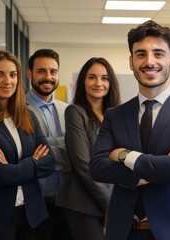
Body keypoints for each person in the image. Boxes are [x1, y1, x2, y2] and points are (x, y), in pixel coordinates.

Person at [89, 20, 170, 240]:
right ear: (131, 61)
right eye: (141, 54)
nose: (149, 62)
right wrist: (159, 168)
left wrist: (125, 155)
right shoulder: (115, 115)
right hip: (123, 231)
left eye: (158, 53)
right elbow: (98, 168)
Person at [0, 50, 56, 240]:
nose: (8, 80)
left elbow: (50, 162)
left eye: (13, 74)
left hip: (30, 213)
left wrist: (11, 168)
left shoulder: (27, 115)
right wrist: (33, 161)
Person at [55, 57, 121, 240]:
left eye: (104, 78)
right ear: (83, 81)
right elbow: (83, 163)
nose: (98, 83)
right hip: (83, 201)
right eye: (92, 77)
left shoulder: (115, 115)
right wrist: (108, 202)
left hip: (113, 196)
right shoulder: (75, 112)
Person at [25, 49, 72, 240]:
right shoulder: (17, 109)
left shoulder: (69, 111)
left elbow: (76, 153)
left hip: (67, 204)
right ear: (29, 73)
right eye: (41, 71)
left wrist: (44, 148)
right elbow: (25, 152)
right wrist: (64, 147)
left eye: (53, 71)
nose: (48, 77)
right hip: (33, 205)